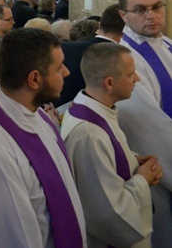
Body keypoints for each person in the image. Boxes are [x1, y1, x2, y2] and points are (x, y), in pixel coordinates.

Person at [0, 28, 85, 248]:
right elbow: (9, 239)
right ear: (34, 79)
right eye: (58, 67)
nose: (66, 73)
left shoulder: (36, 114)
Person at [61, 43, 162, 248]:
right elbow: (107, 213)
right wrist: (143, 178)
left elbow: (104, 160)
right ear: (109, 83)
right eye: (130, 74)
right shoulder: (88, 134)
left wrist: (131, 159)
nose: (137, 79)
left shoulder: (95, 108)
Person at [116, 0, 172, 246]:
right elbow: (150, 126)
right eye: (140, 10)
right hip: (159, 172)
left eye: (157, 7)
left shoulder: (167, 44)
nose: (151, 15)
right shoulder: (124, 59)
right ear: (123, 15)